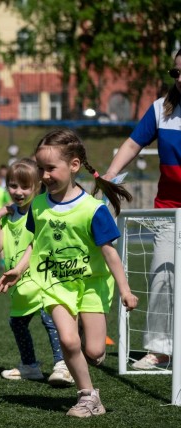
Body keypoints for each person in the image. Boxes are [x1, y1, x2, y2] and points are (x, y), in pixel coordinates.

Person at [0, 128, 138, 417]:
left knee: (95, 352)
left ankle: (87, 340)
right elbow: (35, 243)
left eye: (51, 168)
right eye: (41, 168)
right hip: (55, 284)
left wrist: (125, 289)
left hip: (92, 285)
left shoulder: (92, 209)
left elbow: (109, 253)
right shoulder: (38, 205)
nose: (44, 175)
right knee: (69, 340)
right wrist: (19, 269)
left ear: (74, 165)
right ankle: (88, 397)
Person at [103, 50, 181, 370]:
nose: (180, 79)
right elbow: (134, 144)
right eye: (175, 73)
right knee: (162, 278)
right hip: (169, 210)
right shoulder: (160, 109)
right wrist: (110, 176)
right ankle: (160, 350)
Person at [0, 159, 73, 386]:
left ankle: (63, 365)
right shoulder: (9, 215)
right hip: (20, 283)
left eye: (25, 187)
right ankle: (30, 366)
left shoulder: (40, 211)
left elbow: (38, 244)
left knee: (50, 319)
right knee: (17, 323)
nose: (18, 192)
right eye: (13, 185)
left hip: (43, 278)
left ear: (37, 186)